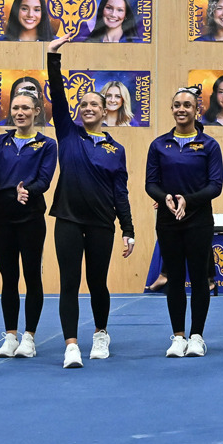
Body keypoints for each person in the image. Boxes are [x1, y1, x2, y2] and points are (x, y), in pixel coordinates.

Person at [42, 40, 137, 367]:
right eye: (83, 104)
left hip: (100, 223)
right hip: (67, 219)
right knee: (69, 282)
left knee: (97, 282)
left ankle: (100, 333)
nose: (88, 107)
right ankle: (71, 344)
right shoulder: (68, 134)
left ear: (106, 110)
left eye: (94, 104)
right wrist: (54, 56)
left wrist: (128, 229)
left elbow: (120, 192)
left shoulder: (116, 149)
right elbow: (56, 91)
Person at [0, 85, 58, 359]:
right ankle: (11, 335)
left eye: (26, 108)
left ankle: (29, 337)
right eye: (16, 108)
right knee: (8, 277)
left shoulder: (47, 144)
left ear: (37, 112)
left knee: (31, 276)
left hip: (31, 217)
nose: (20, 112)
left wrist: (30, 191)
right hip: (1, 218)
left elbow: (45, 179)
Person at [148, 86, 223, 359]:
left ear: (196, 110)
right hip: (168, 221)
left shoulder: (209, 145)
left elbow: (215, 186)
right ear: (172, 109)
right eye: (177, 105)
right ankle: (178, 336)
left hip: (199, 220)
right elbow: (151, 183)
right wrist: (166, 198)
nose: (181, 109)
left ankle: (196, 336)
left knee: (200, 279)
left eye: (187, 105)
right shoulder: (159, 144)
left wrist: (187, 201)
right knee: (176, 278)